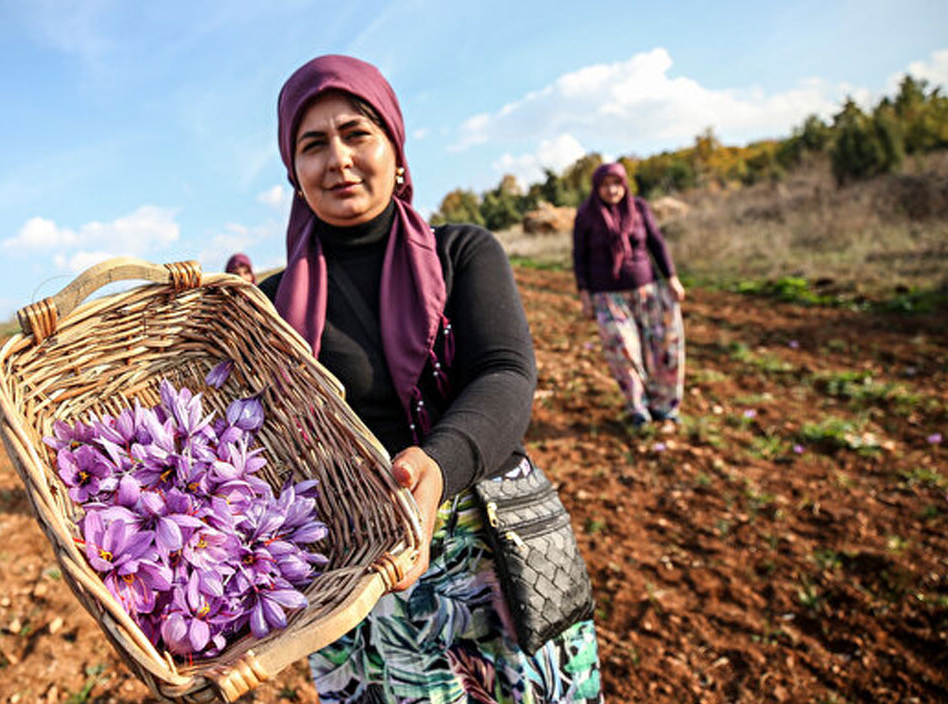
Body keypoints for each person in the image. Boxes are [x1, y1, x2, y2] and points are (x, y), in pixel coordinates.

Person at [258, 54, 602, 704]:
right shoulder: (268, 306)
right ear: (293, 170)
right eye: (313, 144)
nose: (338, 159)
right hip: (357, 580)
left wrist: (437, 468)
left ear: (395, 144)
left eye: (357, 133)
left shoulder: (461, 252)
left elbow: (505, 374)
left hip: (487, 547)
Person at [572, 162, 686, 428]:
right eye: (605, 185)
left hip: (648, 291)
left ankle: (664, 406)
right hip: (608, 297)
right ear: (596, 188)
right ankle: (638, 408)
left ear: (624, 185)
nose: (611, 190)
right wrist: (584, 294)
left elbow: (657, 243)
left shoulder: (640, 208)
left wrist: (672, 278)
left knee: (662, 348)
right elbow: (580, 258)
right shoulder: (586, 215)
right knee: (622, 351)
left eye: (616, 183)